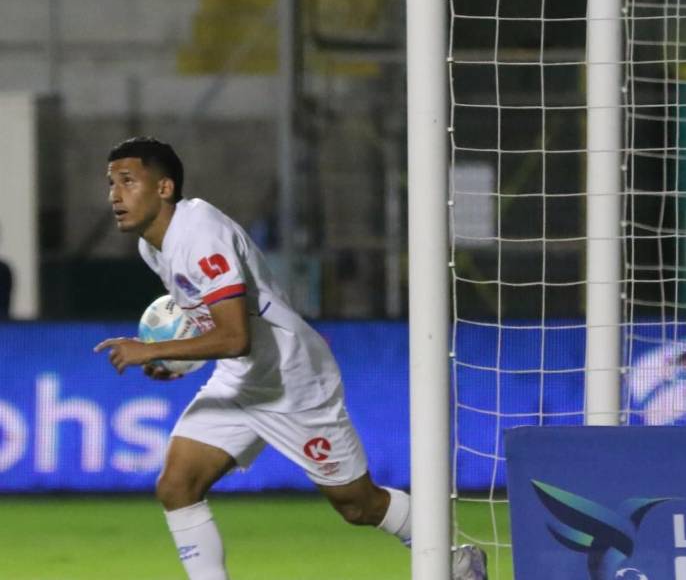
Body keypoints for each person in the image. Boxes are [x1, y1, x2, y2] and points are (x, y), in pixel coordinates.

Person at [94, 137, 487, 580]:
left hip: (292, 380)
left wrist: (153, 348)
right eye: (111, 182)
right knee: (176, 486)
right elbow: (215, 323)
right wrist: (173, 360)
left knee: (357, 505)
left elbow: (235, 336)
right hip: (241, 379)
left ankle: (457, 560)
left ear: (164, 188)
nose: (114, 194)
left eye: (128, 181)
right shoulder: (154, 246)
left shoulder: (199, 234)